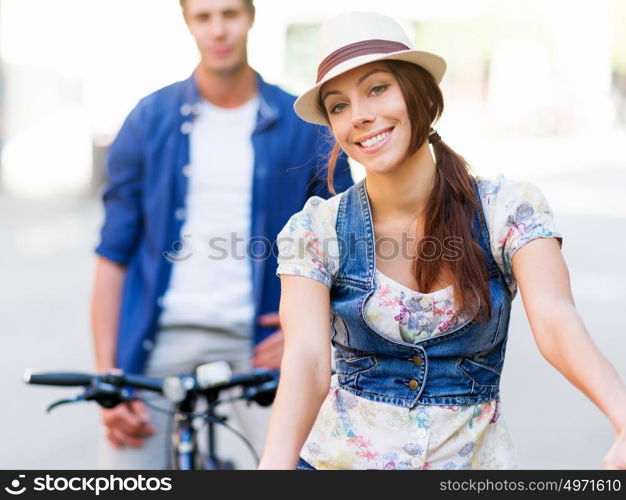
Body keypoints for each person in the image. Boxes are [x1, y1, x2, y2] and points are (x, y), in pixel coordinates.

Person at [258, 11, 626, 470]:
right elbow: (308, 360)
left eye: (377, 88)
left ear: (421, 95)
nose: (361, 116)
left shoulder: (506, 209)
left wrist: (622, 416)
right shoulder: (317, 229)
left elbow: (555, 318)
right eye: (339, 106)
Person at [91, 0, 352, 470]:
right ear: (188, 22)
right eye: (204, 17)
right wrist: (109, 376)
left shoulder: (304, 126)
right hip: (160, 338)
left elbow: (347, 244)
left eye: (229, 13)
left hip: (260, 341)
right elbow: (113, 255)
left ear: (250, 16)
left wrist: (316, 331)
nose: (219, 30)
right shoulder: (149, 120)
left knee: (309, 465)